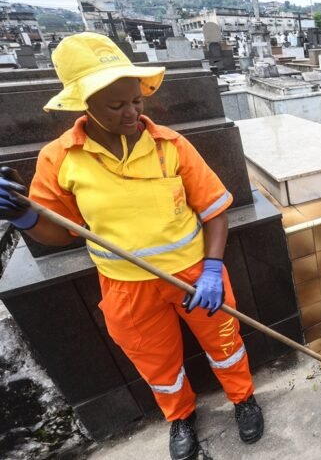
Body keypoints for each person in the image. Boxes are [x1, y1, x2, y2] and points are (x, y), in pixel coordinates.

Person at [0, 33, 263, 460]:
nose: (133, 112)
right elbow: (58, 232)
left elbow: (215, 211)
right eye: (116, 105)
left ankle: (244, 398)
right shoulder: (60, 159)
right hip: (125, 286)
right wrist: (21, 215)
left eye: (136, 100)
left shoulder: (171, 146)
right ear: (84, 105)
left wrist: (213, 269)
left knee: (226, 343)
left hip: (196, 276)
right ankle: (179, 417)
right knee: (158, 366)